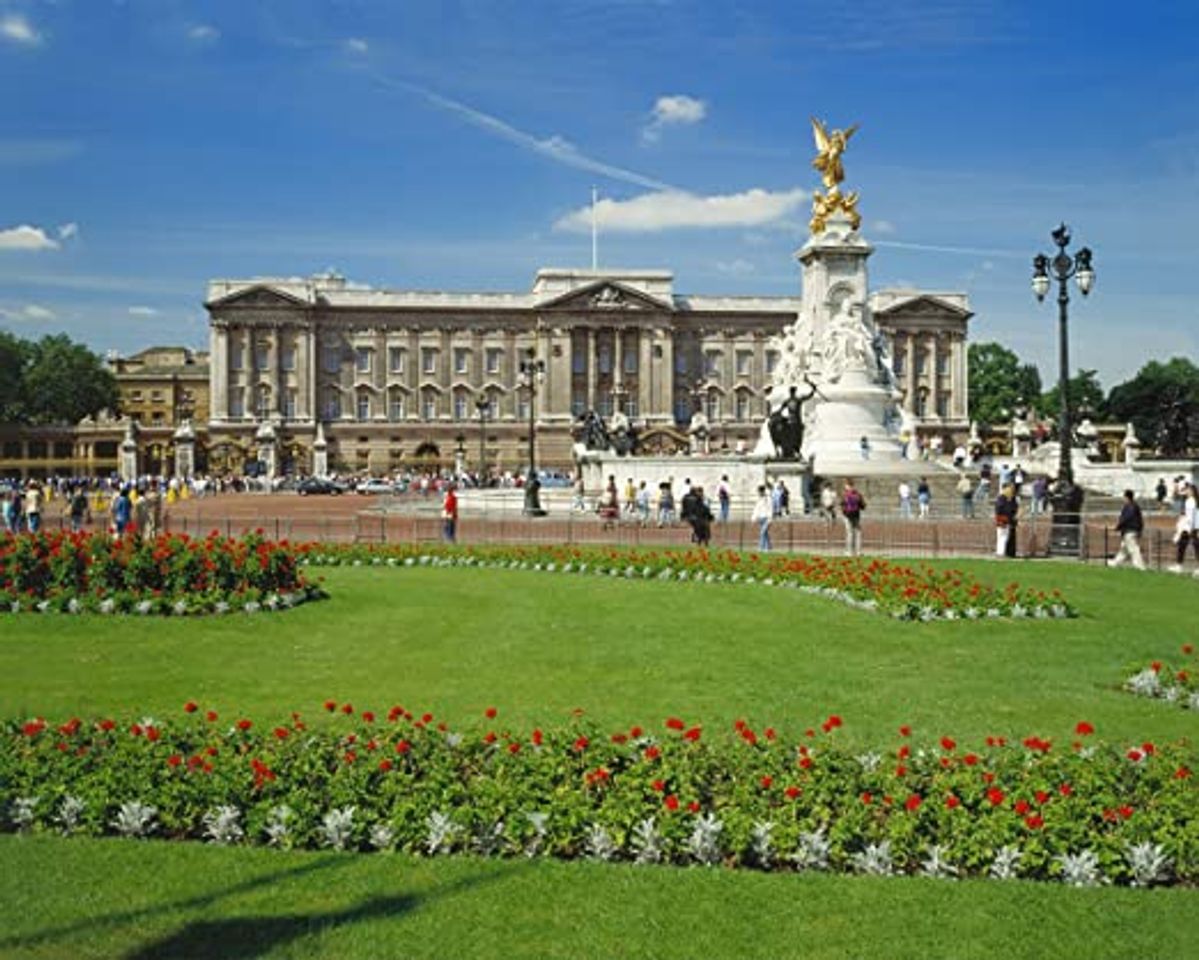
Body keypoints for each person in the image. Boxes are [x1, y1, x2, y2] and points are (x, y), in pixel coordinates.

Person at [1109, 489, 1146, 570]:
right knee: (1124, 549)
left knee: (1133, 549)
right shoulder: (1134, 506)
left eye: (1124, 497)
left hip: (1130, 530)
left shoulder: (1130, 506)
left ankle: (1140, 566)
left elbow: (1126, 518)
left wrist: (1117, 527)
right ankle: (1115, 562)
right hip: (1131, 530)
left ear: (1126, 497)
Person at [1169, 483, 1199, 573]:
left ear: (1192, 491)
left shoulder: (1191, 501)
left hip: (1190, 527)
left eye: (1188, 490)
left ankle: (1179, 565)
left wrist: (1190, 528)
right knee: (1184, 546)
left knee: (1193, 546)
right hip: (1191, 527)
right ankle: (1179, 565)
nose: (1187, 491)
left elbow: (1192, 516)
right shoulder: (1191, 500)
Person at [841, 479, 865, 556]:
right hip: (856, 515)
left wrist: (844, 511)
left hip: (847, 516)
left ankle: (849, 551)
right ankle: (858, 551)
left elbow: (842, 504)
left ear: (847, 485)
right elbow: (863, 506)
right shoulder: (858, 494)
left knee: (849, 533)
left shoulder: (845, 494)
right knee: (858, 533)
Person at [994, 483, 1019, 558]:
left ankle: (1001, 552)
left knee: (1004, 536)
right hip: (1002, 518)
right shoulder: (1002, 498)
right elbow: (1000, 509)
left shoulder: (1009, 498)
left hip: (1005, 518)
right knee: (1002, 535)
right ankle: (1000, 553)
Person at [752, 485, 772, 551]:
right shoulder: (759, 499)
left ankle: (761, 548)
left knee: (762, 532)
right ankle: (768, 547)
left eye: (760, 492)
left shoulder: (768, 499)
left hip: (766, 518)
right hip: (760, 518)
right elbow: (756, 509)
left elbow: (770, 508)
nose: (759, 493)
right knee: (765, 533)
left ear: (763, 491)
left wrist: (770, 518)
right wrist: (754, 517)